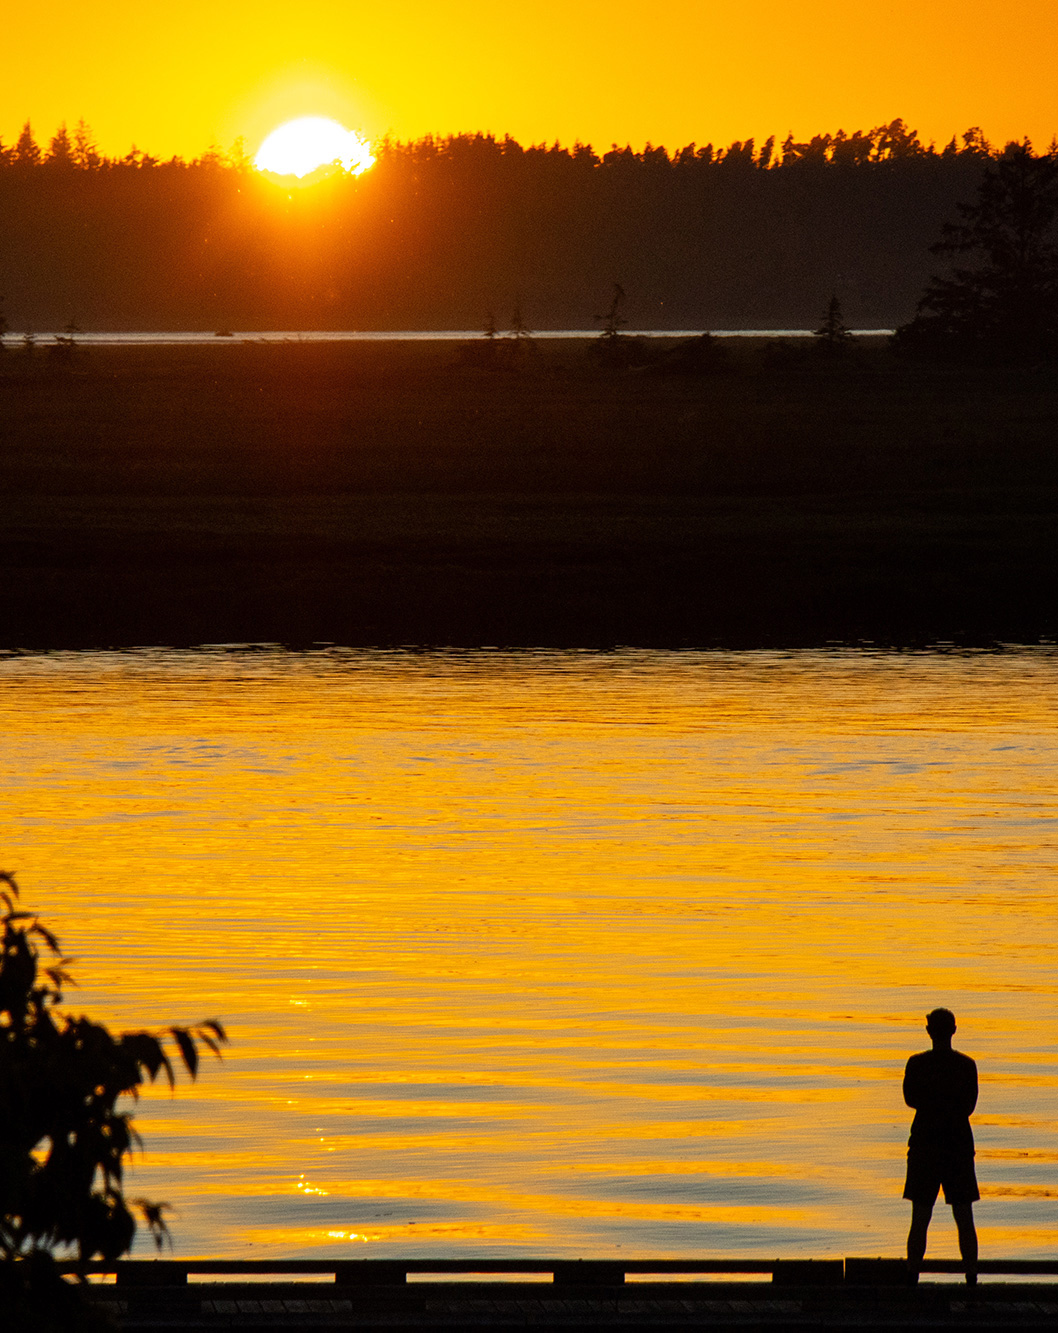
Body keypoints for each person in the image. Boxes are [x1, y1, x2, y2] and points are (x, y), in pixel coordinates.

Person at [903, 1008, 979, 1285]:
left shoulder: (916, 1064)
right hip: (957, 1146)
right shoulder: (967, 1065)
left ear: (928, 1032)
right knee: (964, 1217)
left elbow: (910, 1099)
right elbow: (969, 1106)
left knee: (920, 1218)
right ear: (954, 1031)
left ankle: (912, 1278)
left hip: (925, 1146)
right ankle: (971, 1280)